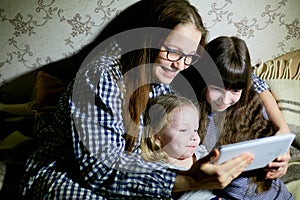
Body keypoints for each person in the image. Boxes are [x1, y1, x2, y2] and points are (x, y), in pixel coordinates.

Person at [19, 1, 254, 199]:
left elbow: (235, 77)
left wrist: (202, 161)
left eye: (190, 56)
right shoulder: (101, 75)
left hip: (136, 167)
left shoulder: (173, 69)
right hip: (67, 170)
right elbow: (100, 171)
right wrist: (188, 180)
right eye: (173, 52)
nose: (181, 64)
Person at [196, 36, 293, 199]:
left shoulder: (249, 94)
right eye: (217, 89)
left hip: (276, 192)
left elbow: (255, 84)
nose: (225, 100)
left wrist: (283, 153)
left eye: (235, 91)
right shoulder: (190, 111)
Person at [141, 94, 219, 200]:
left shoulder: (201, 154)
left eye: (195, 130)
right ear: (156, 136)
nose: (194, 137)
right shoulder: (158, 171)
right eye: (183, 130)